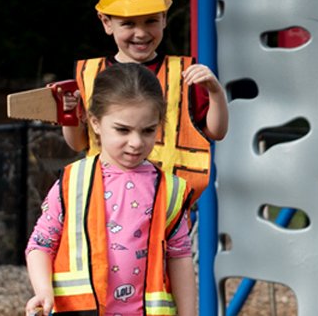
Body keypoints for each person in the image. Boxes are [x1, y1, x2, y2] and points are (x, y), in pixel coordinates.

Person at [25, 62, 196, 316]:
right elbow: (40, 244)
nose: (136, 143)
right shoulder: (74, 182)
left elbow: (180, 256)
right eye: (123, 130)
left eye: (148, 130)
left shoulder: (169, 189)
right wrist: (43, 290)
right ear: (94, 122)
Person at [61, 0, 228, 194]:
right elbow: (79, 143)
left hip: (168, 208)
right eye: (128, 23)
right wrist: (68, 116)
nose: (141, 33)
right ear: (106, 22)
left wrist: (216, 92)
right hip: (108, 206)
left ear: (164, 18)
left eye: (150, 20)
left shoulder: (183, 75)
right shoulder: (89, 75)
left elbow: (216, 131)